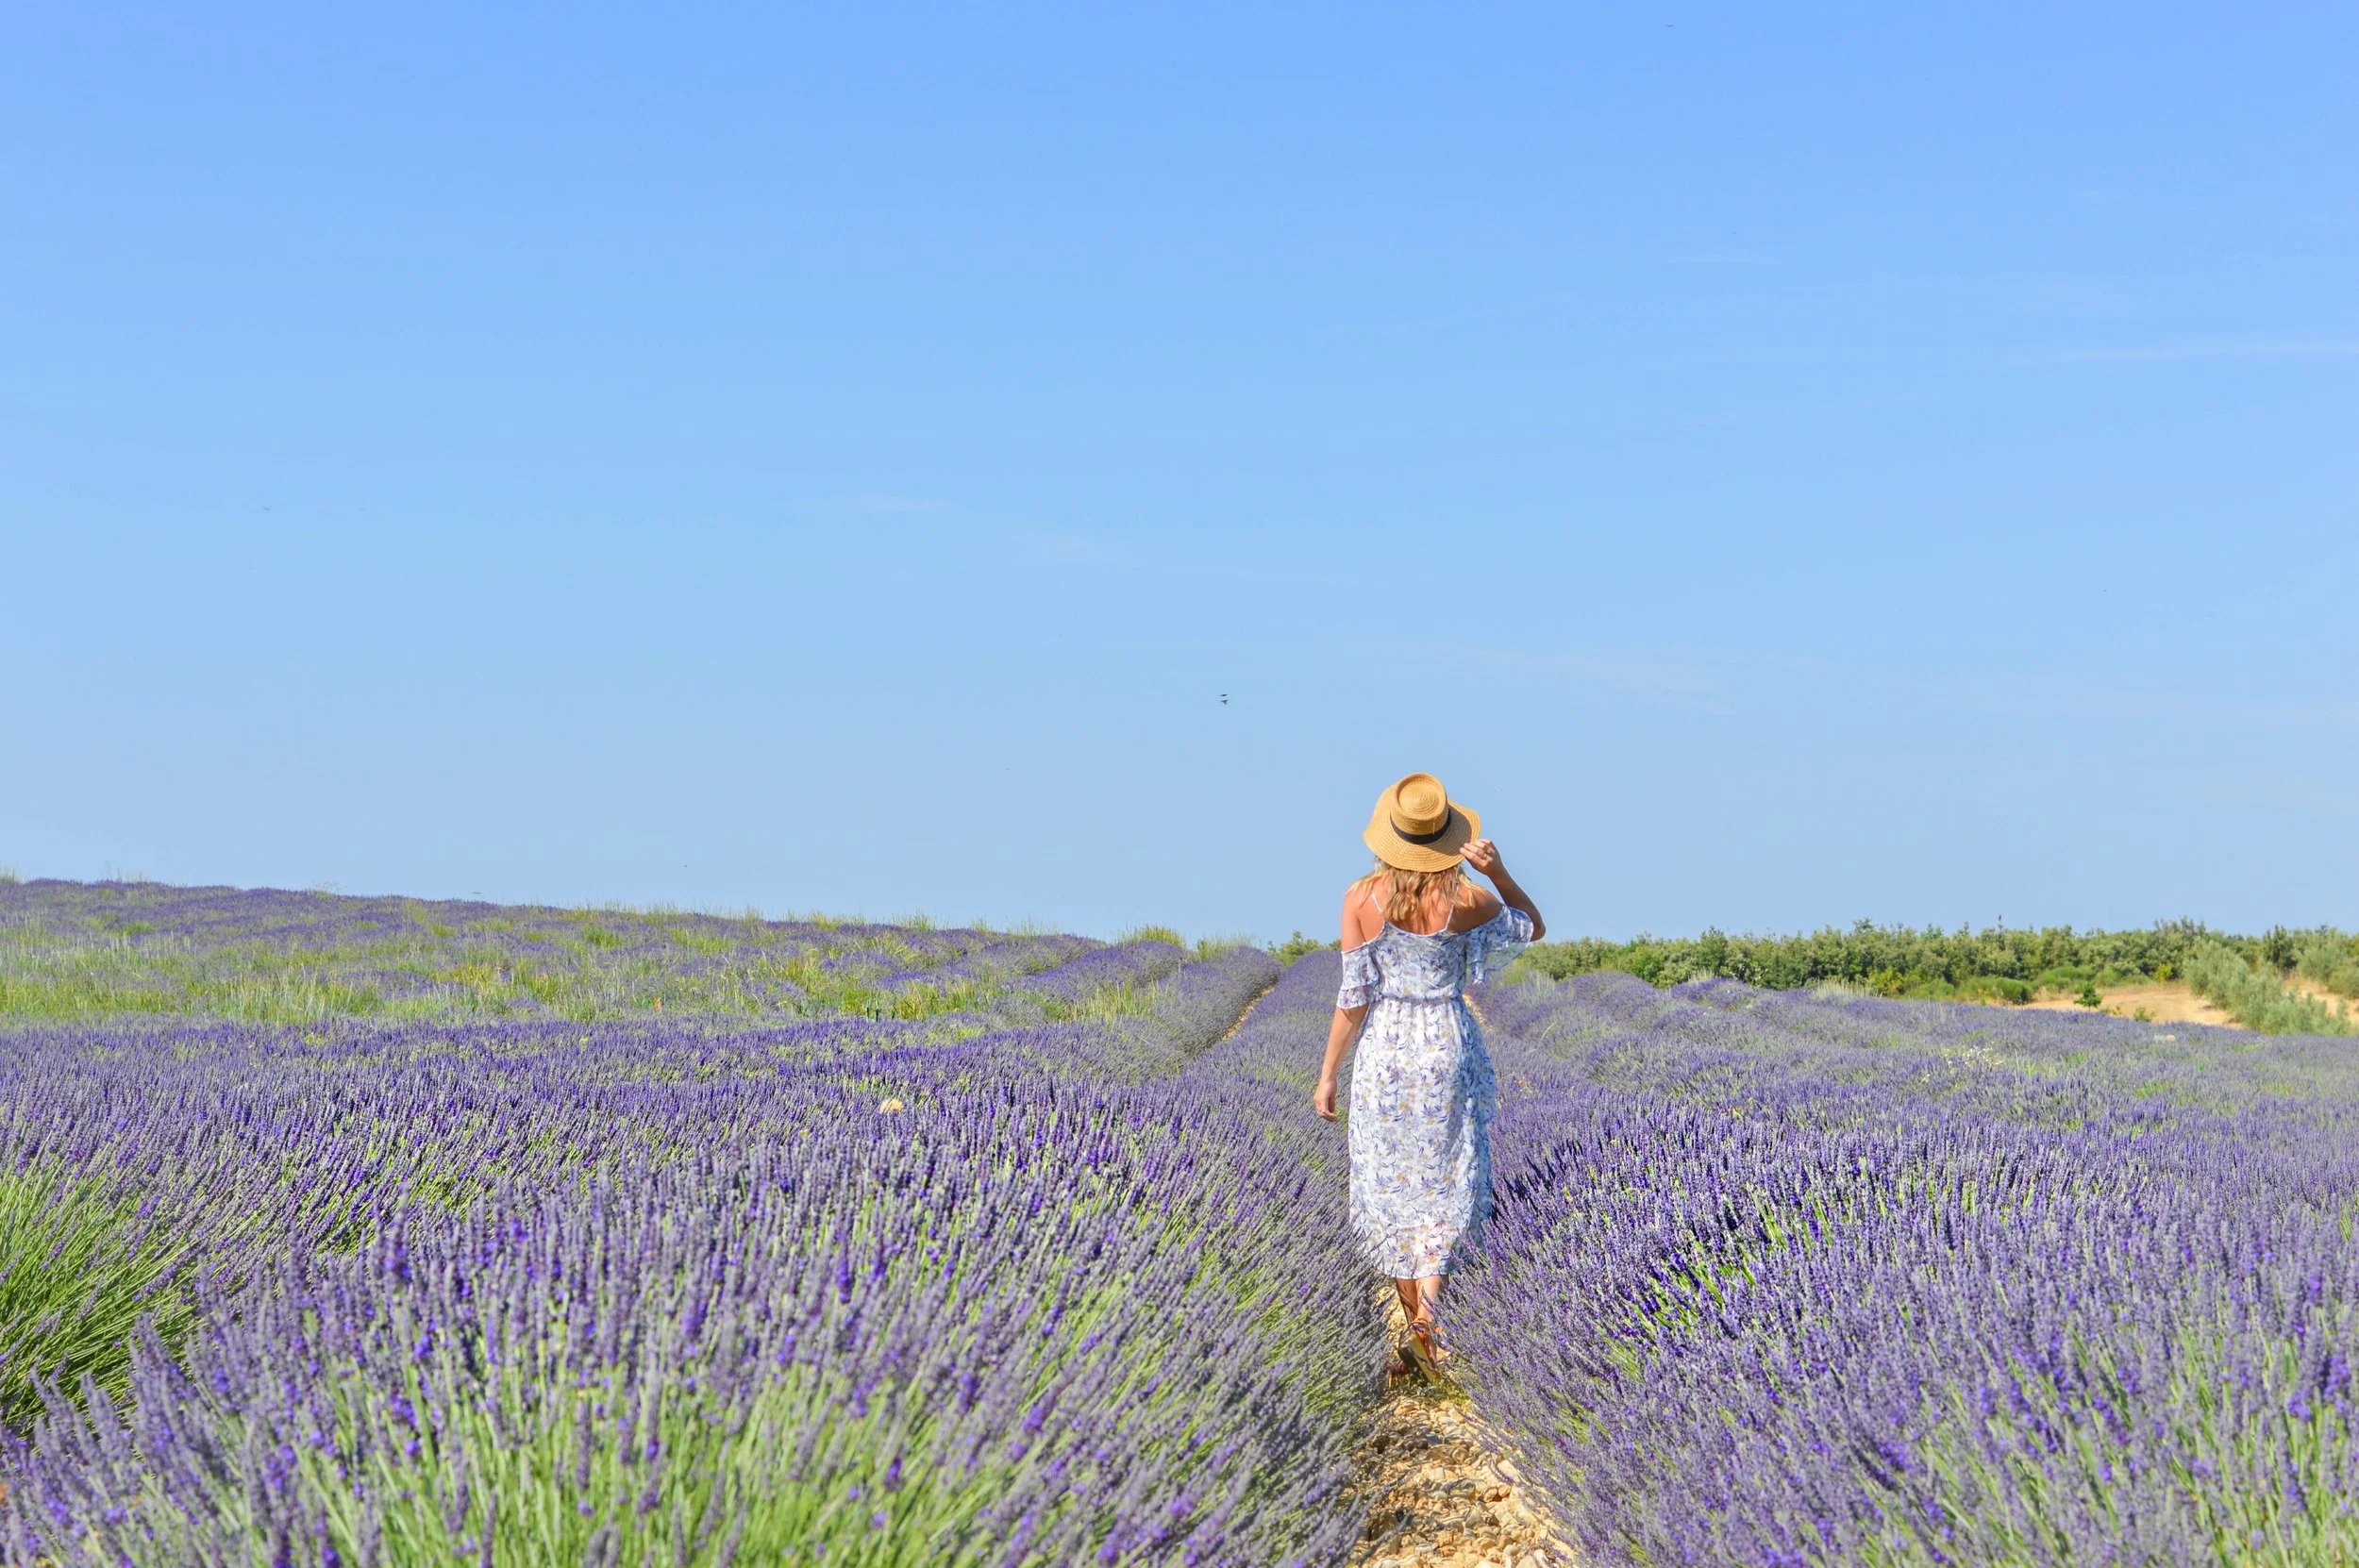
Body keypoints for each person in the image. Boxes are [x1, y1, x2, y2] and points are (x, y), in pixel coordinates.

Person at [1313, 772, 1545, 1377]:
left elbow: (1353, 995)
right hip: (1444, 1043)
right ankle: (1427, 1328)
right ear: (1447, 841)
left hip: (1387, 1049)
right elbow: (1532, 926)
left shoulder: (1359, 899)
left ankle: (1414, 1330)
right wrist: (1498, 871)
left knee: (1388, 1184)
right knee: (1446, 1182)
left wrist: (1328, 1073)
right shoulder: (1469, 902)